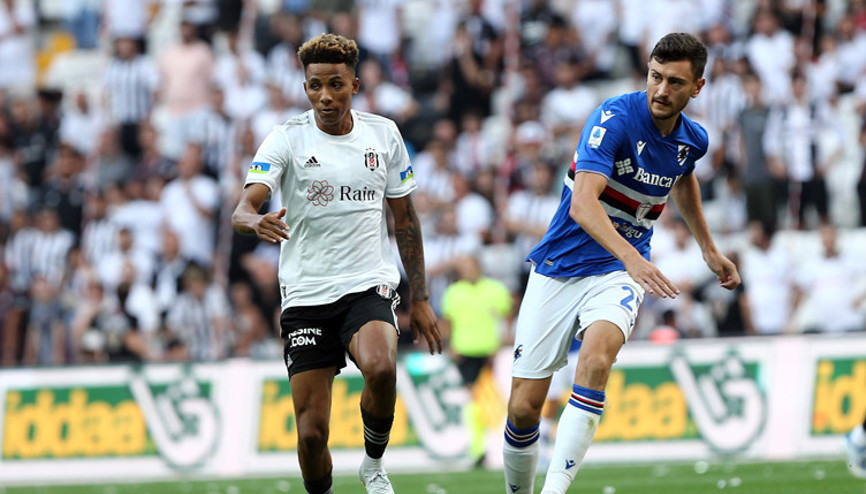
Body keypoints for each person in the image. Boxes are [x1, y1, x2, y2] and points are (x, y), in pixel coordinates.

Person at [501, 33, 741, 494]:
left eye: (674, 81)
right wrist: (633, 258)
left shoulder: (693, 140)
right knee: (523, 409)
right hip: (561, 265)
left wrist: (708, 249)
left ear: (697, 87)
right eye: (655, 76)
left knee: (595, 362)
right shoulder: (612, 119)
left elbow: (682, 178)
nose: (660, 90)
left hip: (616, 272)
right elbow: (583, 205)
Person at [231, 33, 441, 494]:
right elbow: (243, 209)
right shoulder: (286, 137)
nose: (325, 96)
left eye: (336, 85)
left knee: (382, 368)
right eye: (315, 86)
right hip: (306, 294)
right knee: (310, 436)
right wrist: (255, 220)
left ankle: (373, 463)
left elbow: (404, 218)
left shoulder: (383, 134)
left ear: (355, 86)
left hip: (367, 284)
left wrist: (420, 297)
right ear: (305, 87)